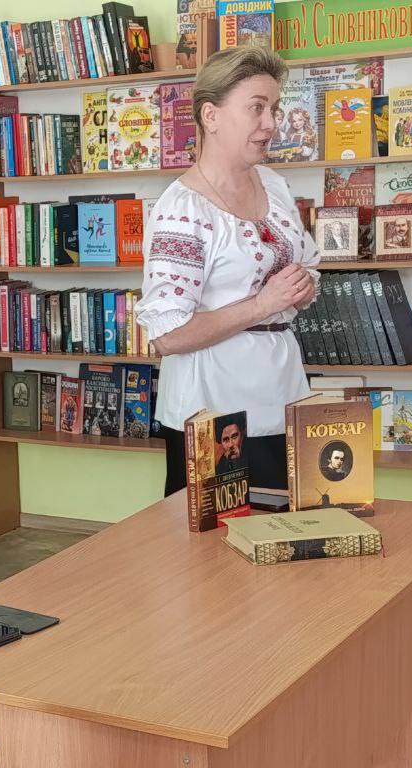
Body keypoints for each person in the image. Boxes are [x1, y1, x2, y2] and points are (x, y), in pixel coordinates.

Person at [134, 45, 319, 496]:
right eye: (257, 108)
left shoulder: (275, 186)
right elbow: (168, 335)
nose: (271, 123)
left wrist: (301, 289)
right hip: (211, 409)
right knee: (213, 536)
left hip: (282, 393)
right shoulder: (182, 210)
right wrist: (262, 305)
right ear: (210, 116)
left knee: (286, 523)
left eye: (274, 108)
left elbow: (308, 268)